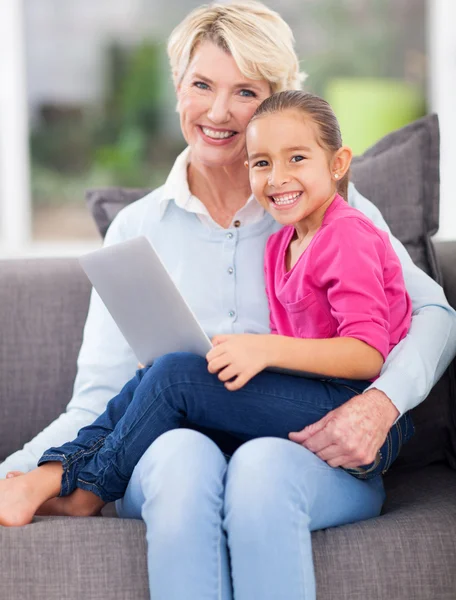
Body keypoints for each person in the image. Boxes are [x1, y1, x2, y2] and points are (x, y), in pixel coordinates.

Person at [0, 2, 455, 598]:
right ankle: (69, 480)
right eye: (201, 86)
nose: (218, 112)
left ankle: (77, 483)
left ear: (277, 99)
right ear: (177, 89)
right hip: (169, 448)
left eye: (245, 91)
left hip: (301, 450)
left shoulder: (325, 210)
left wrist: (382, 406)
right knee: (182, 448)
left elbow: (432, 315)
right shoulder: (139, 229)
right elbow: (98, 397)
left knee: (258, 468)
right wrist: (15, 472)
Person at [0, 89, 416, 526]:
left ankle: (87, 493)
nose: (277, 177)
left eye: (296, 158)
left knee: (173, 377)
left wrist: (264, 350)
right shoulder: (281, 245)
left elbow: (368, 353)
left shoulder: (347, 234)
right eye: (262, 163)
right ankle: (55, 474)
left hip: (357, 413)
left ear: (337, 163)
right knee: (155, 375)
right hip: (314, 398)